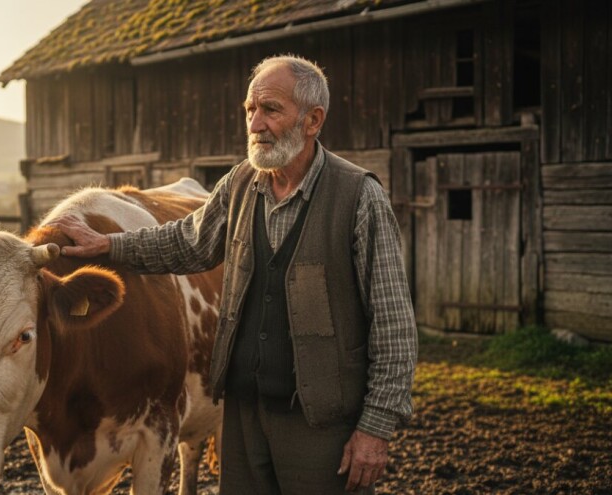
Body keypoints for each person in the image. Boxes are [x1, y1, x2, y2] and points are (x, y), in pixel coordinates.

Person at [50, 54, 417, 494]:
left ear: (314, 119)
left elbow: (393, 323)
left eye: (271, 110)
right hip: (242, 418)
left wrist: (375, 428)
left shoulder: (359, 197)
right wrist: (109, 245)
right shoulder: (242, 183)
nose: (255, 124)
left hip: (321, 424)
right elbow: (186, 242)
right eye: (250, 110)